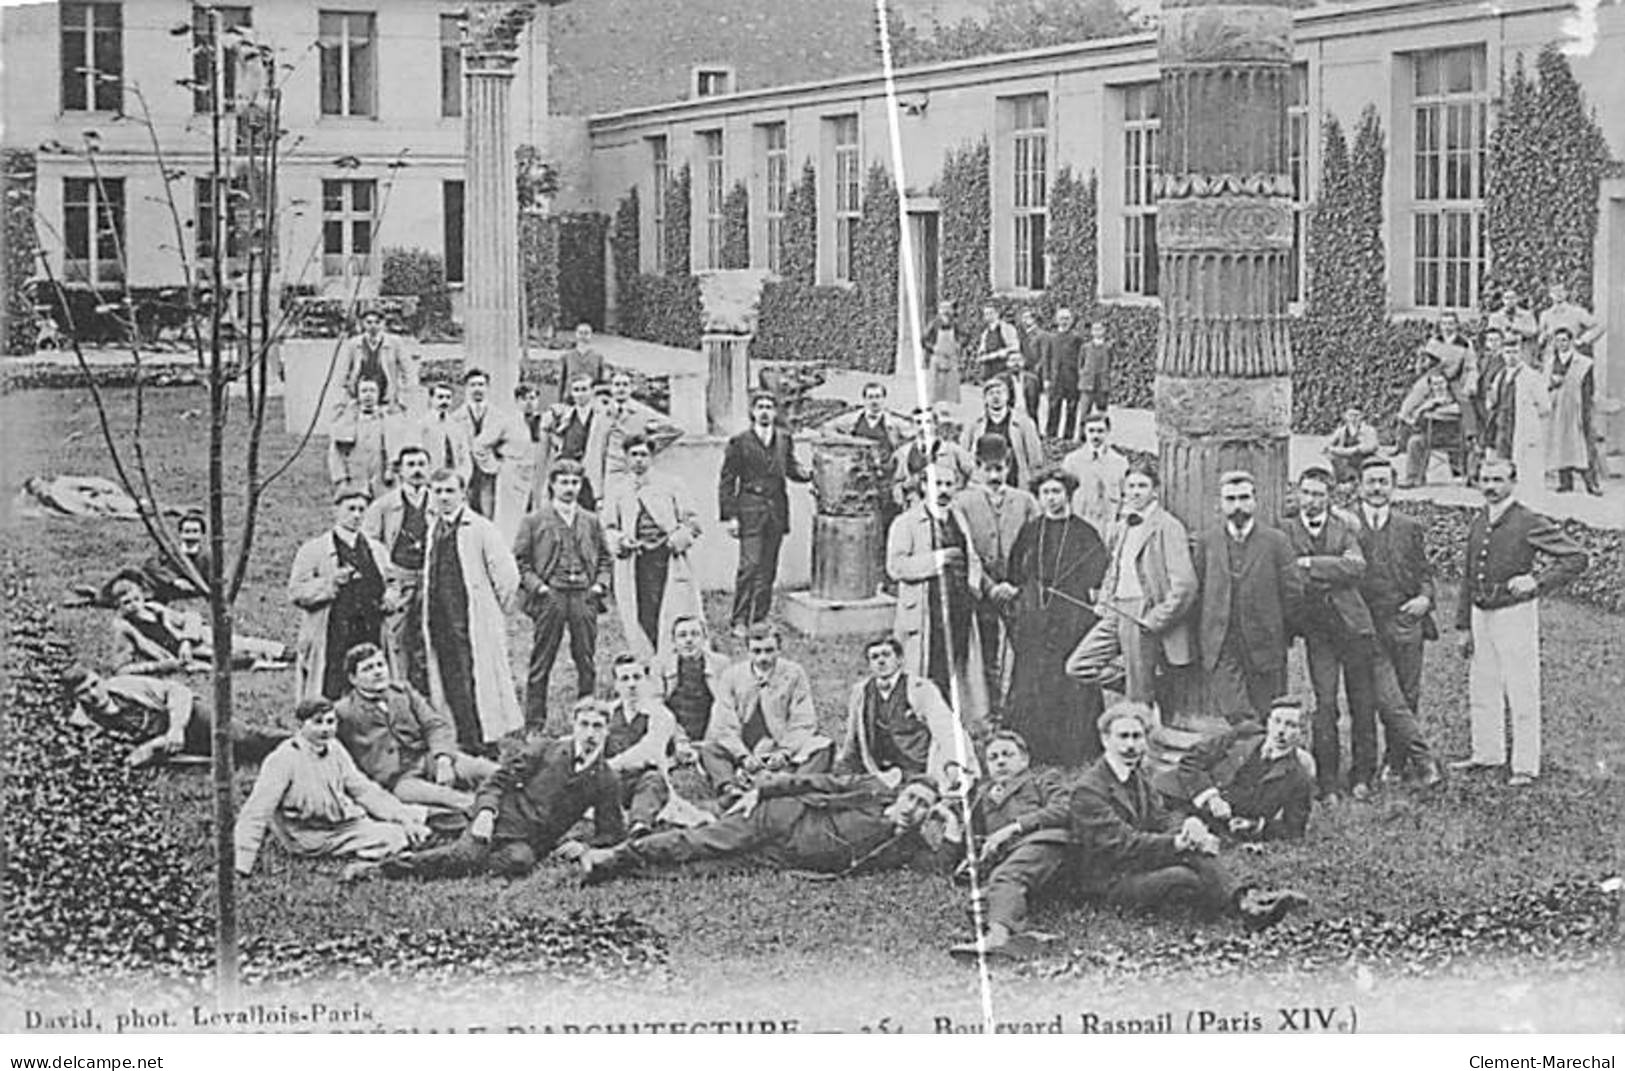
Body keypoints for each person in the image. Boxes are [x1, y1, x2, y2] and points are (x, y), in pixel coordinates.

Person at [1068, 703, 1308, 929]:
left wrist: (1188, 826)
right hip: (1109, 881)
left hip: (1139, 861)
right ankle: (1243, 904)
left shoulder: (1137, 775)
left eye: (1137, 737)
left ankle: (1248, 903)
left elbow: (1162, 817)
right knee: (1187, 877)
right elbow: (1122, 844)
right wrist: (1177, 843)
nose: (1130, 746)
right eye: (1123, 737)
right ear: (1104, 739)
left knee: (1196, 856)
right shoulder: (1089, 790)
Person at [362, 698, 625, 882]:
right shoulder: (546, 748)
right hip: (500, 818)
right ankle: (383, 869)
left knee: (518, 863)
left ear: (607, 730)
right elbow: (499, 780)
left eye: (597, 726)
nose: (590, 733)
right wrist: (486, 813)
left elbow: (611, 831)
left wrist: (584, 846)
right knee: (465, 857)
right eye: (584, 725)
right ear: (574, 726)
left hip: (530, 843)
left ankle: (448, 838)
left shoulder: (606, 779)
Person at [1453, 457, 1587, 787]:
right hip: (1480, 611)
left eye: (1498, 480)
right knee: (1483, 683)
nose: (1490, 487)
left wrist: (1537, 582)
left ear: (1513, 482)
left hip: (1514, 612)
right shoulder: (1481, 518)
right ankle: (1487, 752)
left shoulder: (1527, 520)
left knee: (1520, 686)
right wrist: (1463, 625)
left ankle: (1525, 765)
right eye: (1485, 479)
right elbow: (1469, 575)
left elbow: (1577, 557)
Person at [578, 771, 944, 885]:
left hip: (782, 857)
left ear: (930, 814)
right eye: (912, 797)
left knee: (706, 869)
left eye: (923, 805)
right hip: (781, 816)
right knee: (703, 842)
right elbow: (816, 781)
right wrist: (763, 791)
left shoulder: (908, 846)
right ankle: (617, 852)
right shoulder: (872, 791)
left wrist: (954, 828)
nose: (913, 808)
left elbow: (940, 869)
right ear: (901, 793)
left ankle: (614, 867)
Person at [233, 697, 432, 877]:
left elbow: (362, 789)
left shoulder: (335, 749)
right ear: (300, 725)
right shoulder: (283, 759)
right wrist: (243, 864)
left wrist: (401, 816)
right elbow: (256, 811)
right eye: (317, 722)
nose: (325, 729)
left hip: (342, 824)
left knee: (408, 826)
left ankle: (383, 846)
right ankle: (364, 863)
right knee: (397, 837)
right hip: (307, 834)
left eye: (330, 722)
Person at [1066, 461, 1197, 717]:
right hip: (1116, 609)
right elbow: (1114, 567)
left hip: (1142, 612)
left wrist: (1156, 618)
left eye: (1142, 486)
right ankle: (1151, 683)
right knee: (1079, 665)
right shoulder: (1124, 525)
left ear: (1155, 491)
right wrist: (1104, 600)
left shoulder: (1167, 526)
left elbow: (1185, 583)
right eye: (1131, 486)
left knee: (1139, 701)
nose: (1135, 492)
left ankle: (1143, 744)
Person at [1348, 457, 1444, 788]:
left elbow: (1424, 573)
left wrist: (1424, 599)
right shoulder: (1346, 524)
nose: (1376, 488)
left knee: (1408, 693)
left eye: (1383, 481)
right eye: (1370, 481)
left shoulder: (1409, 526)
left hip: (1405, 620)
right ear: (1359, 485)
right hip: (1363, 626)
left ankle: (1396, 760)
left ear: (1393, 486)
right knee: (1382, 697)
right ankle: (1420, 759)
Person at [1003, 468, 1109, 766]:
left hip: (1072, 618)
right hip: (1036, 618)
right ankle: (1034, 749)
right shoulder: (1031, 530)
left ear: (1068, 495)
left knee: (1069, 679)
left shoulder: (1084, 532)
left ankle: (1076, 751)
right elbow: (1016, 571)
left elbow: (1099, 575)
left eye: (1056, 492)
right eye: (1046, 493)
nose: (1051, 499)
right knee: (1033, 679)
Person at [1287, 467, 1377, 800]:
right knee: (1324, 704)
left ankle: (1362, 775)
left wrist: (1310, 564)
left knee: (1362, 701)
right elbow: (1287, 571)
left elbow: (1356, 567)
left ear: (1330, 497)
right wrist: (1332, 567)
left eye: (1319, 494)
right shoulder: (1286, 529)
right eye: (1307, 493)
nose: (1312, 500)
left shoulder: (1344, 529)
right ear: (1298, 492)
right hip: (1317, 631)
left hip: (1354, 628)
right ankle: (1326, 782)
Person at [945, 730, 1074, 961]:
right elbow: (974, 838)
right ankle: (1028, 940)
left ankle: (997, 938)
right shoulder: (984, 796)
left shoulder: (1042, 780)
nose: (1001, 761)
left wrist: (1014, 827)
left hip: (1047, 845)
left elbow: (1065, 809)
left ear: (1024, 760)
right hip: (1011, 860)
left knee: (1006, 877)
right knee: (980, 901)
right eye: (993, 758)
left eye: (1007, 755)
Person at [422, 467, 524, 752]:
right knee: (450, 676)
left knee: (476, 679)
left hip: (471, 620)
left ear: (463, 494)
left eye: (449, 491)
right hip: (441, 620)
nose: (443, 497)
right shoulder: (435, 528)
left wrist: (490, 610)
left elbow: (507, 576)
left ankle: (484, 741)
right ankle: (464, 737)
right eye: (438, 491)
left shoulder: (480, 528)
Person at [333, 644, 497, 815]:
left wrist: (443, 760)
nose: (378, 672)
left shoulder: (403, 692)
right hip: (399, 780)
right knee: (449, 798)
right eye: (368, 669)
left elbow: (434, 724)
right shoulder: (344, 711)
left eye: (380, 665)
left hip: (427, 758)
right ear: (353, 678)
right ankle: (491, 813)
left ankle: (517, 798)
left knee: (489, 771)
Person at [1195, 471, 1303, 724]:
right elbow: (1198, 591)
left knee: (1267, 713)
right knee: (1236, 712)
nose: (1238, 506)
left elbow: (1293, 593)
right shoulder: (1207, 541)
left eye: (1244, 498)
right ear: (1220, 503)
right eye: (1230, 499)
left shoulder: (1276, 541)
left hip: (1265, 642)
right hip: (1222, 642)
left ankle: (1261, 760)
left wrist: (1282, 633)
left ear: (1256, 501)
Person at [887, 465, 990, 725]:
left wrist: (973, 585)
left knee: (957, 662)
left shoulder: (958, 518)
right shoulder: (906, 522)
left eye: (948, 484)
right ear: (923, 486)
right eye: (937, 484)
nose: (943, 491)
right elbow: (896, 566)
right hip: (925, 608)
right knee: (927, 665)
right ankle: (921, 721)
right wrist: (938, 559)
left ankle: (957, 721)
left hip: (958, 604)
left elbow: (972, 557)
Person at [513, 460, 611, 728]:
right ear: (553, 484)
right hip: (551, 595)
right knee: (542, 659)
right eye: (564, 482)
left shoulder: (590, 520)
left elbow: (605, 558)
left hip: (583, 594)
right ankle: (534, 723)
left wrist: (599, 585)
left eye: (575, 482)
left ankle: (588, 718)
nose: (570, 488)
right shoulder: (534, 520)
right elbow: (520, 561)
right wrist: (539, 587)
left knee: (586, 659)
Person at [700, 624, 833, 806]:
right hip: (746, 748)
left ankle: (788, 785)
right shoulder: (731, 676)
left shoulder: (794, 673)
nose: (763, 657)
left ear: (779, 649)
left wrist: (785, 752)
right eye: (756, 651)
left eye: (769, 651)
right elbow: (724, 723)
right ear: (747, 651)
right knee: (710, 749)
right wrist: (743, 756)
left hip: (780, 746)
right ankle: (731, 790)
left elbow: (803, 720)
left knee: (822, 746)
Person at [62, 664, 287, 769]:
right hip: (166, 748)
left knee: (243, 739)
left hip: (186, 718)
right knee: (226, 760)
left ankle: (304, 742)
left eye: (94, 684)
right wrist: (154, 746)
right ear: (75, 697)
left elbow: (177, 691)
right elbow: (122, 758)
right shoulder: (83, 723)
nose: (94, 694)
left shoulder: (123, 685)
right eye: (84, 692)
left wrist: (176, 728)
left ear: (100, 679)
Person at [955, 435, 1039, 711]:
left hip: (1018, 590)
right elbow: (965, 551)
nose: (994, 475)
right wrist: (990, 587)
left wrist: (1017, 585)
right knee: (987, 650)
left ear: (1009, 466)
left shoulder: (1025, 501)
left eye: (1000, 468)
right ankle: (991, 707)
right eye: (988, 468)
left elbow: (1037, 547)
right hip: (982, 590)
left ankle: (1020, 707)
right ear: (977, 466)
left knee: (1025, 649)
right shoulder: (963, 503)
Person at [602, 434, 703, 660]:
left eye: (644, 455)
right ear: (626, 459)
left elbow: (692, 523)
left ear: (652, 457)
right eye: (634, 455)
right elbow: (608, 527)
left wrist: (677, 539)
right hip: (635, 560)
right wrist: (620, 541)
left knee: (672, 608)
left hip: (667, 558)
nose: (639, 460)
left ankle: (674, 655)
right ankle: (648, 658)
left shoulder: (672, 484)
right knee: (641, 610)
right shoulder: (618, 490)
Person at [718, 391, 811, 635]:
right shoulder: (739, 442)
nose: (765, 411)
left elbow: (792, 468)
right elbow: (727, 480)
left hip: (776, 511)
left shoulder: (784, 439)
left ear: (776, 412)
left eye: (769, 407)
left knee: (768, 568)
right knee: (749, 566)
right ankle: (739, 620)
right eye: (760, 406)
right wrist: (730, 516)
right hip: (750, 509)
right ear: (752, 411)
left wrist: (812, 474)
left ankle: (759, 618)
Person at [1156, 699, 1314, 841]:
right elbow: (1192, 758)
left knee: (1175, 842)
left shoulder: (1298, 777)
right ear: (1268, 722)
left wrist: (1253, 825)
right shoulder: (1244, 734)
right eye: (1277, 721)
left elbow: (1294, 829)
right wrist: (1211, 797)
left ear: (1302, 733)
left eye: (1291, 725)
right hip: (1179, 799)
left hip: (1220, 827)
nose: (1281, 731)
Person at [289, 488, 392, 703]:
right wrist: (330, 583)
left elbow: (393, 584)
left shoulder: (377, 550)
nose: (356, 515)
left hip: (369, 630)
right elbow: (296, 591)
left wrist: (390, 597)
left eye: (361, 510)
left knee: (370, 683)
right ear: (336, 510)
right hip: (333, 632)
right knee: (330, 688)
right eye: (350, 509)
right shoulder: (314, 550)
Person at [836, 635, 978, 791]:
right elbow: (853, 737)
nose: (881, 661)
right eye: (875, 657)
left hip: (918, 767)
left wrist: (953, 762)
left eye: (886, 655)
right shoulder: (861, 692)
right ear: (869, 664)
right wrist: (843, 764)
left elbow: (945, 727)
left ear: (899, 659)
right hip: (879, 769)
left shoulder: (920, 688)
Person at [109, 571, 289, 675]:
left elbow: (191, 617)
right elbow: (121, 668)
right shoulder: (124, 628)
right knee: (227, 660)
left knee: (236, 642)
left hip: (191, 642)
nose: (134, 605)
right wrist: (162, 666)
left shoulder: (154, 609)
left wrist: (187, 641)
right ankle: (260, 662)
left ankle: (283, 652)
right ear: (118, 605)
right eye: (127, 602)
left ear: (142, 596)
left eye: (136, 599)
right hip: (178, 657)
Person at [362, 444, 434, 694]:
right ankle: (398, 693)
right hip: (399, 580)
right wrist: (387, 580)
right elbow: (369, 545)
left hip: (430, 580)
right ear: (399, 471)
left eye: (422, 465)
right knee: (396, 639)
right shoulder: (383, 506)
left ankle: (430, 697)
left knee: (429, 638)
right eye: (411, 465)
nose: (417, 471)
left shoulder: (439, 502)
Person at [603, 654, 696, 835]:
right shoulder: (608, 712)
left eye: (637, 678)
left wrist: (610, 764)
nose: (631, 684)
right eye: (625, 679)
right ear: (616, 685)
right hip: (611, 780)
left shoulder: (661, 715)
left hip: (643, 778)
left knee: (653, 781)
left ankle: (640, 824)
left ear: (646, 681)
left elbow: (649, 751)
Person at [477, 383, 548, 544]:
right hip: (512, 476)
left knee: (537, 516)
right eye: (524, 399)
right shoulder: (506, 422)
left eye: (533, 398)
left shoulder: (544, 422)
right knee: (509, 522)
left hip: (536, 476)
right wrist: (494, 466)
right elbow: (480, 444)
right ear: (517, 401)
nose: (529, 402)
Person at [328, 378, 415, 498]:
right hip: (355, 480)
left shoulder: (389, 420)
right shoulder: (347, 422)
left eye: (372, 391)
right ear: (358, 395)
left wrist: (392, 471)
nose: (368, 395)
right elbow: (336, 454)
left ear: (379, 394)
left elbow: (397, 449)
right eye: (364, 391)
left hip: (382, 480)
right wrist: (341, 479)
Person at [650, 614, 730, 743]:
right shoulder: (660, 664)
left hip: (711, 730)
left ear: (704, 638)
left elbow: (725, 705)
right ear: (673, 641)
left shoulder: (721, 664)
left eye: (695, 634)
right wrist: (676, 736)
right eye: (682, 635)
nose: (689, 640)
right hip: (673, 731)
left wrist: (710, 739)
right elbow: (655, 704)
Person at [1494, 334, 1553, 501]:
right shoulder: (1501, 375)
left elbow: (1545, 406)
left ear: (1520, 353)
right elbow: (1493, 400)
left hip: (1524, 427)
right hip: (1504, 425)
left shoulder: (1532, 376)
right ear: (1502, 353)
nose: (1511, 356)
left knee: (1526, 467)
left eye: (1514, 351)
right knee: (1503, 463)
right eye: (1507, 352)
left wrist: (1531, 420)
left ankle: (1528, 500)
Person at [1543, 326, 1600, 495]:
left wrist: (1586, 409)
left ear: (1571, 341)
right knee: (1561, 442)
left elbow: (1589, 388)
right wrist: (1552, 383)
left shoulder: (1584, 363)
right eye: (1558, 340)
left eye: (1564, 340)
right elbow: (1544, 386)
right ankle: (1565, 482)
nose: (1561, 344)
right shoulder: (1550, 363)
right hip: (1559, 408)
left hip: (1578, 407)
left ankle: (1591, 483)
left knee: (1583, 444)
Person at [961, 378, 1043, 493]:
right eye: (991, 394)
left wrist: (1032, 482)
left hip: (1013, 478)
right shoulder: (974, 423)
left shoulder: (1023, 422)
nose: (995, 397)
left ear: (1007, 397)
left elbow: (1035, 457)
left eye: (999, 393)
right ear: (985, 399)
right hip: (983, 478)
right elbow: (963, 453)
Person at [1061, 411, 1129, 542]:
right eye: (1091, 431)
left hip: (1108, 527)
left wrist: (1119, 525)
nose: (1095, 436)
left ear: (1108, 432)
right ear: (1084, 432)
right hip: (1080, 524)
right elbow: (1064, 496)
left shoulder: (1119, 463)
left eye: (1100, 431)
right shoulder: (1072, 461)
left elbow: (1125, 496)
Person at [332, 309, 414, 418]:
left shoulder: (395, 342)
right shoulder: (354, 343)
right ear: (362, 323)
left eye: (377, 322)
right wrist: (342, 396)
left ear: (383, 323)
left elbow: (408, 370)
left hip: (386, 393)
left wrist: (404, 395)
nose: (373, 326)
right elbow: (343, 371)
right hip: (361, 392)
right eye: (369, 322)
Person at [891, 405, 976, 497]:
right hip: (916, 507)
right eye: (919, 423)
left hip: (948, 505)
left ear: (936, 425)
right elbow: (894, 486)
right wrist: (905, 486)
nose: (923, 427)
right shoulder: (903, 454)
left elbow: (975, 476)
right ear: (912, 425)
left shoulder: (954, 451)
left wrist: (958, 493)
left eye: (928, 422)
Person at [1401, 372, 1464, 488]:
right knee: (1414, 442)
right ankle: (1413, 479)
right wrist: (1428, 405)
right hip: (1431, 436)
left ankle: (1462, 475)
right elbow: (1415, 417)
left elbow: (1459, 410)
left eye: (1441, 383)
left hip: (1453, 436)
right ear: (1431, 387)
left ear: (1446, 384)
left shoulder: (1455, 398)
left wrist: (1438, 410)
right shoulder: (1429, 400)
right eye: (1435, 384)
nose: (1439, 387)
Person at [453, 368, 500, 517]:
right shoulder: (455, 418)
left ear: (488, 388)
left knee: (489, 514)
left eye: (481, 385)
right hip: (466, 473)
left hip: (489, 474)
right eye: (473, 385)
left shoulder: (499, 417)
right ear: (466, 388)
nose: (477, 389)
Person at [136, 512, 212, 603]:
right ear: (180, 534)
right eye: (187, 531)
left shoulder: (207, 557)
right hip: (166, 593)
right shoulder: (170, 551)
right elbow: (150, 565)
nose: (191, 535)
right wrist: (174, 580)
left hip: (191, 598)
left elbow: (211, 582)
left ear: (202, 534)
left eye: (195, 531)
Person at [421, 379, 473, 484]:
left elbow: (465, 457)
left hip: (454, 482)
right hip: (430, 481)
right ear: (431, 399)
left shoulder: (457, 426)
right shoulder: (422, 425)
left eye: (448, 397)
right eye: (440, 397)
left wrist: (462, 479)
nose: (444, 401)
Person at [1043, 308, 1083, 440]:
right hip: (1056, 378)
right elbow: (1046, 358)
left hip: (1072, 378)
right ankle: (1051, 436)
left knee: (1071, 409)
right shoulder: (1051, 338)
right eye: (1062, 318)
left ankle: (1068, 437)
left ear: (1071, 321)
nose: (1064, 321)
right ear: (1056, 320)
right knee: (1054, 407)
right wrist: (1046, 378)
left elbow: (1081, 359)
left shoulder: (1077, 338)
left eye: (1067, 319)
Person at [1537, 279, 1604, 350]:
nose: (1558, 294)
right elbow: (1540, 337)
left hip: (1572, 353)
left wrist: (1584, 339)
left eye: (1561, 290)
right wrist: (1541, 339)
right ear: (1550, 294)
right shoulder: (1545, 315)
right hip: (1551, 355)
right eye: (1554, 291)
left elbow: (1599, 326)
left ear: (1567, 293)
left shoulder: (1578, 312)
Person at [921, 299, 965, 405]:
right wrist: (932, 348)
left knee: (951, 383)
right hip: (937, 357)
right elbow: (923, 339)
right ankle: (935, 405)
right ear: (939, 311)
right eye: (943, 309)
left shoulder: (955, 324)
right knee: (937, 383)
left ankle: (951, 405)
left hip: (951, 357)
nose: (945, 312)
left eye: (947, 309)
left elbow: (965, 335)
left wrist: (959, 345)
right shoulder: (934, 324)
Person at [1325, 405, 1380, 488]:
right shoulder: (1342, 431)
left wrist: (1357, 449)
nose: (1353, 419)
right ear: (1346, 417)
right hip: (1344, 461)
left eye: (1356, 416)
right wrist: (1330, 449)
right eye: (1350, 415)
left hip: (1362, 462)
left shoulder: (1369, 430)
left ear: (1362, 416)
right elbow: (1329, 444)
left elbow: (1373, 446)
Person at [557, 322, 607, 406]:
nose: (583, 336)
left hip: (590, 399)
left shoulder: (598, 357)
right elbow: (562, 380)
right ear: (576, 334)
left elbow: (600, 381)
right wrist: (560, 401)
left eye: (586, 333)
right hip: (570, 399)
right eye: (580, 333)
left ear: (591, 335)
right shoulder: (567, 356)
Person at [998, 344, 1044, 422]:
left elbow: (1035, 406)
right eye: (1013, 360)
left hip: (1027, 419)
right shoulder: (1000, 380)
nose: (1016, 363)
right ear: (1007, 363)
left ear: (1024, 362)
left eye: (1019, 360)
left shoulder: (1033, 380)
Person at [976, 303, 1020, 383]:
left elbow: (1015, 347)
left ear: (997, 314)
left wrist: (1003, 352)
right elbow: (981, 352)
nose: (988, 316)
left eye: (990, 313)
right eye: (986, 314)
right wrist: (982, 356)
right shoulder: (985, 333)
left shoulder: (1007, 328)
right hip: (988, 370)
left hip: (1004, 368)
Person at [1078, 320, 1113, 418]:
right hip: (1087, 385)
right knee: (1084, 413)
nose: (1097, 332)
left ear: (1104, 331)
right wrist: (1084, 375)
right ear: (1092, 332)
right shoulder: (1085, 347)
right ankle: (1082, 433)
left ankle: (1101, 432)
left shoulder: (1108, 348)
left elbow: (1111, 363)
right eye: (1095, 329)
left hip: (1102, 385)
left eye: (1100, 329)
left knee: (1102, 413)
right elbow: (1080, 364)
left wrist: (1107, 377)